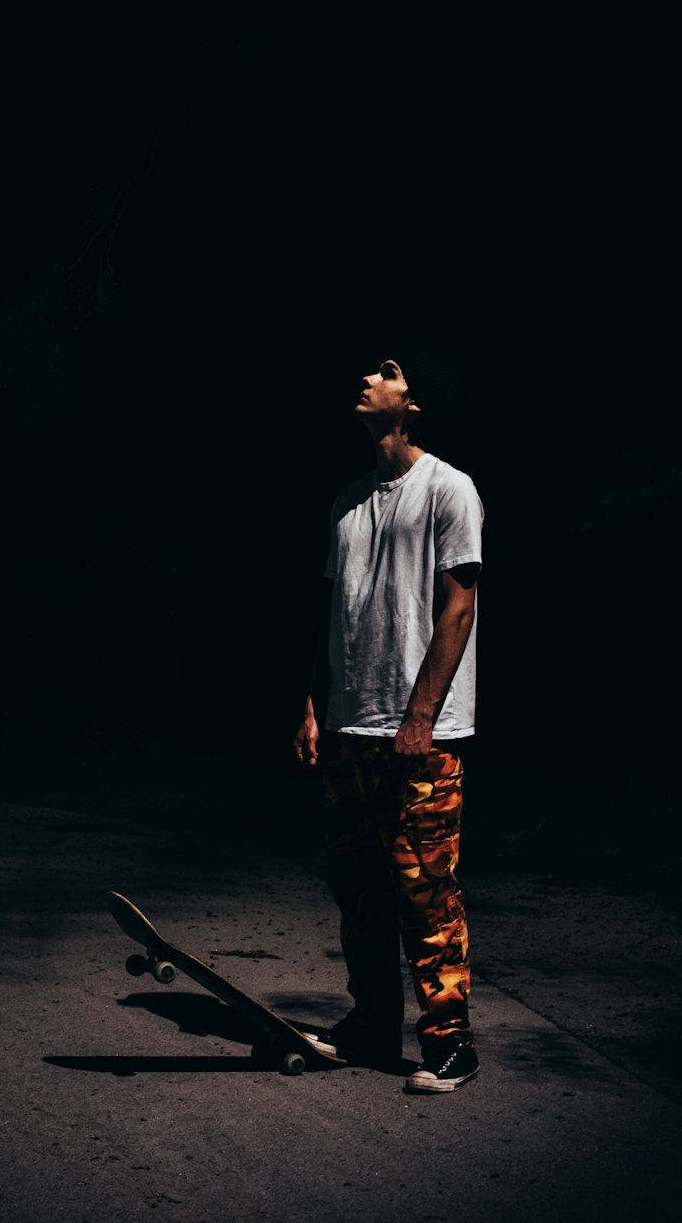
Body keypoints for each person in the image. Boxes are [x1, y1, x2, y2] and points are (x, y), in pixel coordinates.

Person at [292, 348, 483, 1093]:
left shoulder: (450, 490)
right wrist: (313, 702)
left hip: (422, 736)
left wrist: (420, 720)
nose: (368, 375)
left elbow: (459, 608)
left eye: (388, 371)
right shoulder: (346, 498)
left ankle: (449, 1045)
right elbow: (332, 616)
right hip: (348, 726)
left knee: (426, 890)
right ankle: (371, 1026)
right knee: (358, 890)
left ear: (416, 404)